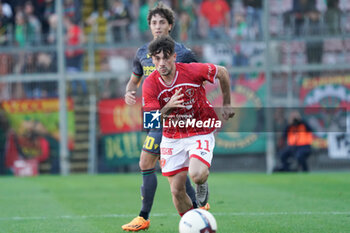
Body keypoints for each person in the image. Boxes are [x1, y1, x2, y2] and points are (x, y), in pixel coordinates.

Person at [122, 3, 205, 232]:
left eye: (162, 22)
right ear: (149, 26)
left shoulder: (183, 53)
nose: (157, 26)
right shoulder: (142, 53)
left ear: (170, 25)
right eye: (154, 22)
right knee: (175, 171)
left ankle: (143, 217)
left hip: (175, 119)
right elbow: (134, 79)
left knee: (145, 162)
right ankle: (200, 207)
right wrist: (129, 90)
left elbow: (198, 79)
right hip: (154, 117)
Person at [142, 35, 234, 217]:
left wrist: (227, 103)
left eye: (166, 57)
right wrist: (169, 107)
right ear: (152, 60)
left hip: (199, 129)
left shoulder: (192, 71)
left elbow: (222, 72)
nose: (162, 63)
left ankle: (202, 184)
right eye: (157, 58)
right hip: (172, 137)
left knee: (197, 174)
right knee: (176, 191)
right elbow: (151, 122)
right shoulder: (150, 84)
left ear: (174, 57)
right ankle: (195, 224)